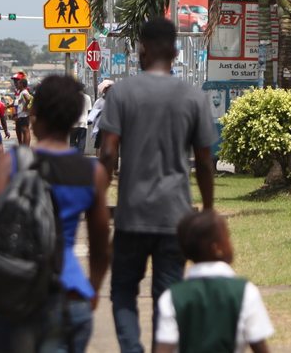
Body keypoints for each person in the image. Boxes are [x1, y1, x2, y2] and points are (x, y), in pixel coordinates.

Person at [0, 74, 111, 353]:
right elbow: (100, 245)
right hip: (68, 297)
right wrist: (92, 290)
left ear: (35, 116)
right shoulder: (92, 173)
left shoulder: (11, 163)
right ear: (74, 117)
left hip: (12, 295)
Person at [99, 18, 218, 353]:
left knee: (123, 290)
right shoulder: (193, 97)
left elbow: (108, 152)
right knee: (167, 297)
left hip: (131, 215)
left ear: (143, 48)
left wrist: (99, 196)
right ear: (176, 51)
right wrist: (207, 210)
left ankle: (131, 349)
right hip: (175, 218)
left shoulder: (121, 93)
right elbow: (205, 160)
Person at [155, 210, 274, 353]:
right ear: (217, 248)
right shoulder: (245, 292)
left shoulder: (171, 297)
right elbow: (260, 346)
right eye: (227, 237)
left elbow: (164, 348)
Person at [87, 80, 113, 150]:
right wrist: (90, 119)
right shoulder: (99, 101)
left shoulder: (115, 100)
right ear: (104, 90)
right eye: (107, 89)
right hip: (101, 125)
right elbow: (93, 112)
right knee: (99, 144)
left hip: (113, 126)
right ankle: (98, 159)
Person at [13, 73, 34, 147]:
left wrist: (25, 106)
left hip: (24, 115)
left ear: (22, 84)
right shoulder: (21, 92)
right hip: (21, 115)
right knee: (22, 130)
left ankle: (26, 147)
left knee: (25, 130)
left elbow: (28, 99)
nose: (16, 85)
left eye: (18, 84)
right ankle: (23, 146)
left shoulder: (24, 92)